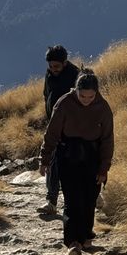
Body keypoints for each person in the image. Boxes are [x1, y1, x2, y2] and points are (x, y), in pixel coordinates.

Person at [39, 69, 114, 255]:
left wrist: (104, 168)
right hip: (68, 155)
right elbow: (52, 134)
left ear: (96, 92)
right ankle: (73, 242)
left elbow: (107, 139)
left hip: (92, 157)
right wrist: (45, 159)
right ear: (76, 90)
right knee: (72, 200)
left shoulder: (103, 107)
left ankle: (86, 237)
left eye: (91, 96)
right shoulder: (64, 103)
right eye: (83, 96)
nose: (87, 100)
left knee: (89, 198)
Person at [38, 45, 79, 215]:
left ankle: (85, 198)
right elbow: (46, 94)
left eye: (56, 66)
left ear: (65, 62)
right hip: (55, 125)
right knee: (53, 162)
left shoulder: (76, 75)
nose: (53, 70)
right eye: (50, 66)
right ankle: (51, 202)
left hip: (73, 128)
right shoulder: (49, 74)